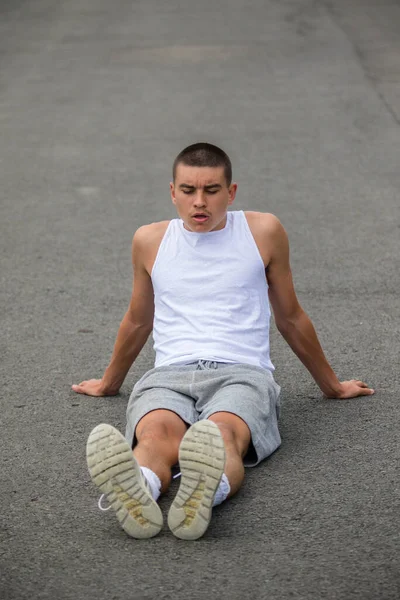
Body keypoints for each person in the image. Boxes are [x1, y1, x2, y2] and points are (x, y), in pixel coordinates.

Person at [72, 142, 374, 541]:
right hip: (170, 373)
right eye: (188, 190)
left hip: (242, 373)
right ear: (172, 192)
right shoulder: (150, 240)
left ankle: (204, 492)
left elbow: (290, 317)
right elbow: (138, 320)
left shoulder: (262, 231)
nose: (200, 202)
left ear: (230, 193)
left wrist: (332, 386)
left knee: (221, 436)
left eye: (212, 191)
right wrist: (110, 382)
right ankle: (139, 489)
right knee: (155, 435)